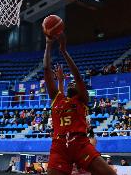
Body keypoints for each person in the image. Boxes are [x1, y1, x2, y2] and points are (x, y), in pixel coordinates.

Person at [43, 33, 116, 175]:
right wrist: (48, 43)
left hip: (80, 143)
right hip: (59, 146)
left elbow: (77, 76)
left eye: (74, 83)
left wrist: (63, 51)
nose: (72, 82)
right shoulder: (57, 99)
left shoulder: (82, 99)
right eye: (68, 82)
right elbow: (46, 69)